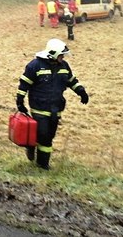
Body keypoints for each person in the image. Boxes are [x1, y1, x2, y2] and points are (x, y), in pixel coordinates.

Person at [16, 38, 89, 170]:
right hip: (39, 107)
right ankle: (43, 165)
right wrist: (20, 100)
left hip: (56, 108)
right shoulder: (35, 65)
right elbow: (24, 83)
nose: (63, 57)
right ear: (53, 54)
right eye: (61, 55)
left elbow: (71, 81)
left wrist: (81, 92)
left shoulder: (64, 66)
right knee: (44, 135)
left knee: (49, 136)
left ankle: (34, 149)